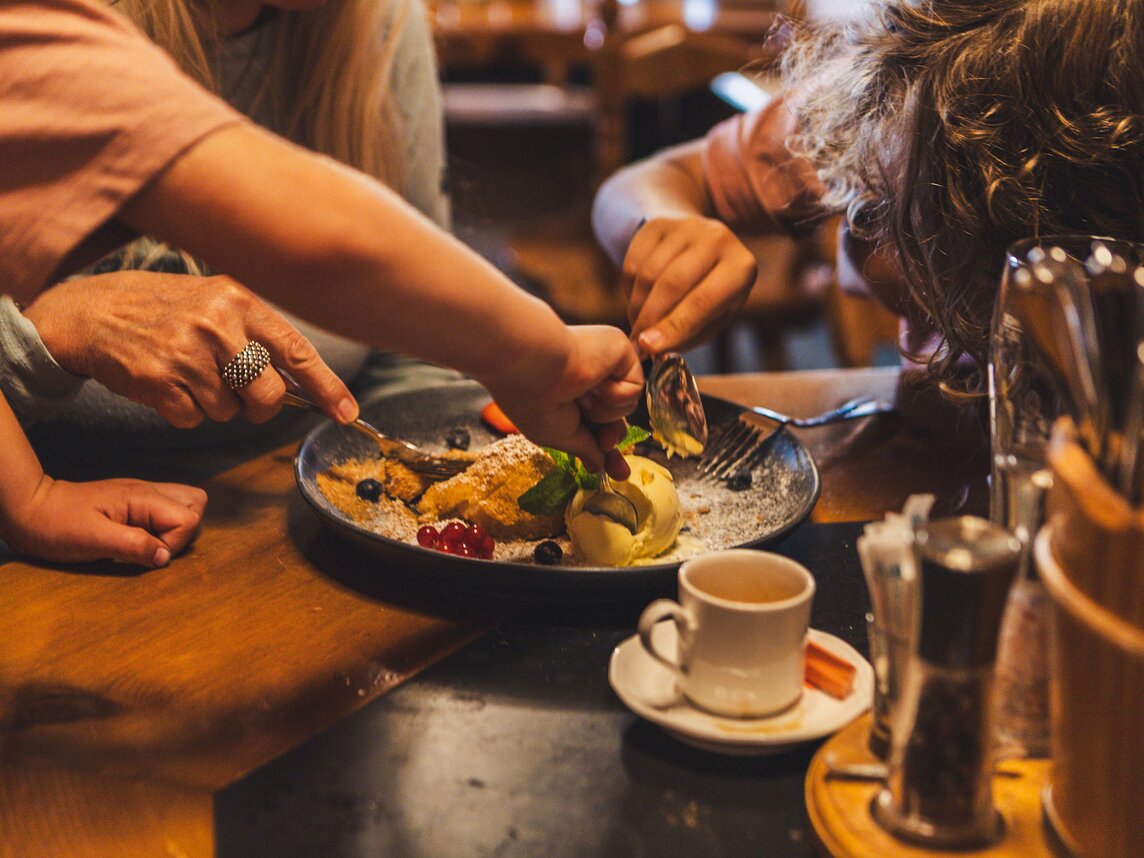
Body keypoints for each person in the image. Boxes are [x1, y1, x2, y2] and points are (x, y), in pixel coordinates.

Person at [0, 0, 642, 566]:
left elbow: (394, 346)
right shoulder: (57, 30)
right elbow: (325, 243)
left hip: (301, 530)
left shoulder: (378, 26)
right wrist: (536, 353)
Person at [593, 0, 1144, 409]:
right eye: (857, 203)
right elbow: (642, 184)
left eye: (893, 219)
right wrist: (662, 225)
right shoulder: (884, 101)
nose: (848, 276)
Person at [2, 0, 456, 441]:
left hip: (304, 479)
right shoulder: (42, 27)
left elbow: (418, 348)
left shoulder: (382, 22)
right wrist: (58, 328)